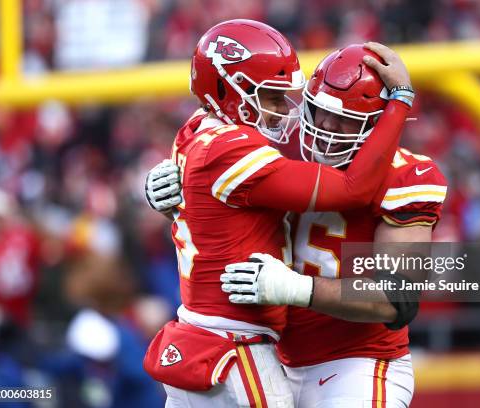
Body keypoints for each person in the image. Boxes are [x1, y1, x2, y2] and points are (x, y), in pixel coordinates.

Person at [142, 20, 414, 408]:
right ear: (228, 89)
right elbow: (352, 188)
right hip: (238, 346)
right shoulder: (239, 149)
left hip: (342, 358)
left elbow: (398, 298)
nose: (281, 110)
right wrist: (401, 101)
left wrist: (295, 288)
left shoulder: (193, 134)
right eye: (269, 97)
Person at [220, 44, 447, 407]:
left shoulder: (405, 177)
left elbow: (396, 298)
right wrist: (177, 186)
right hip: (272, 361)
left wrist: (295, 288)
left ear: (379, 123)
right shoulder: (278, 151)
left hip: (359, 365)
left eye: (344, 119)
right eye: (318, 111)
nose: (326, 126)